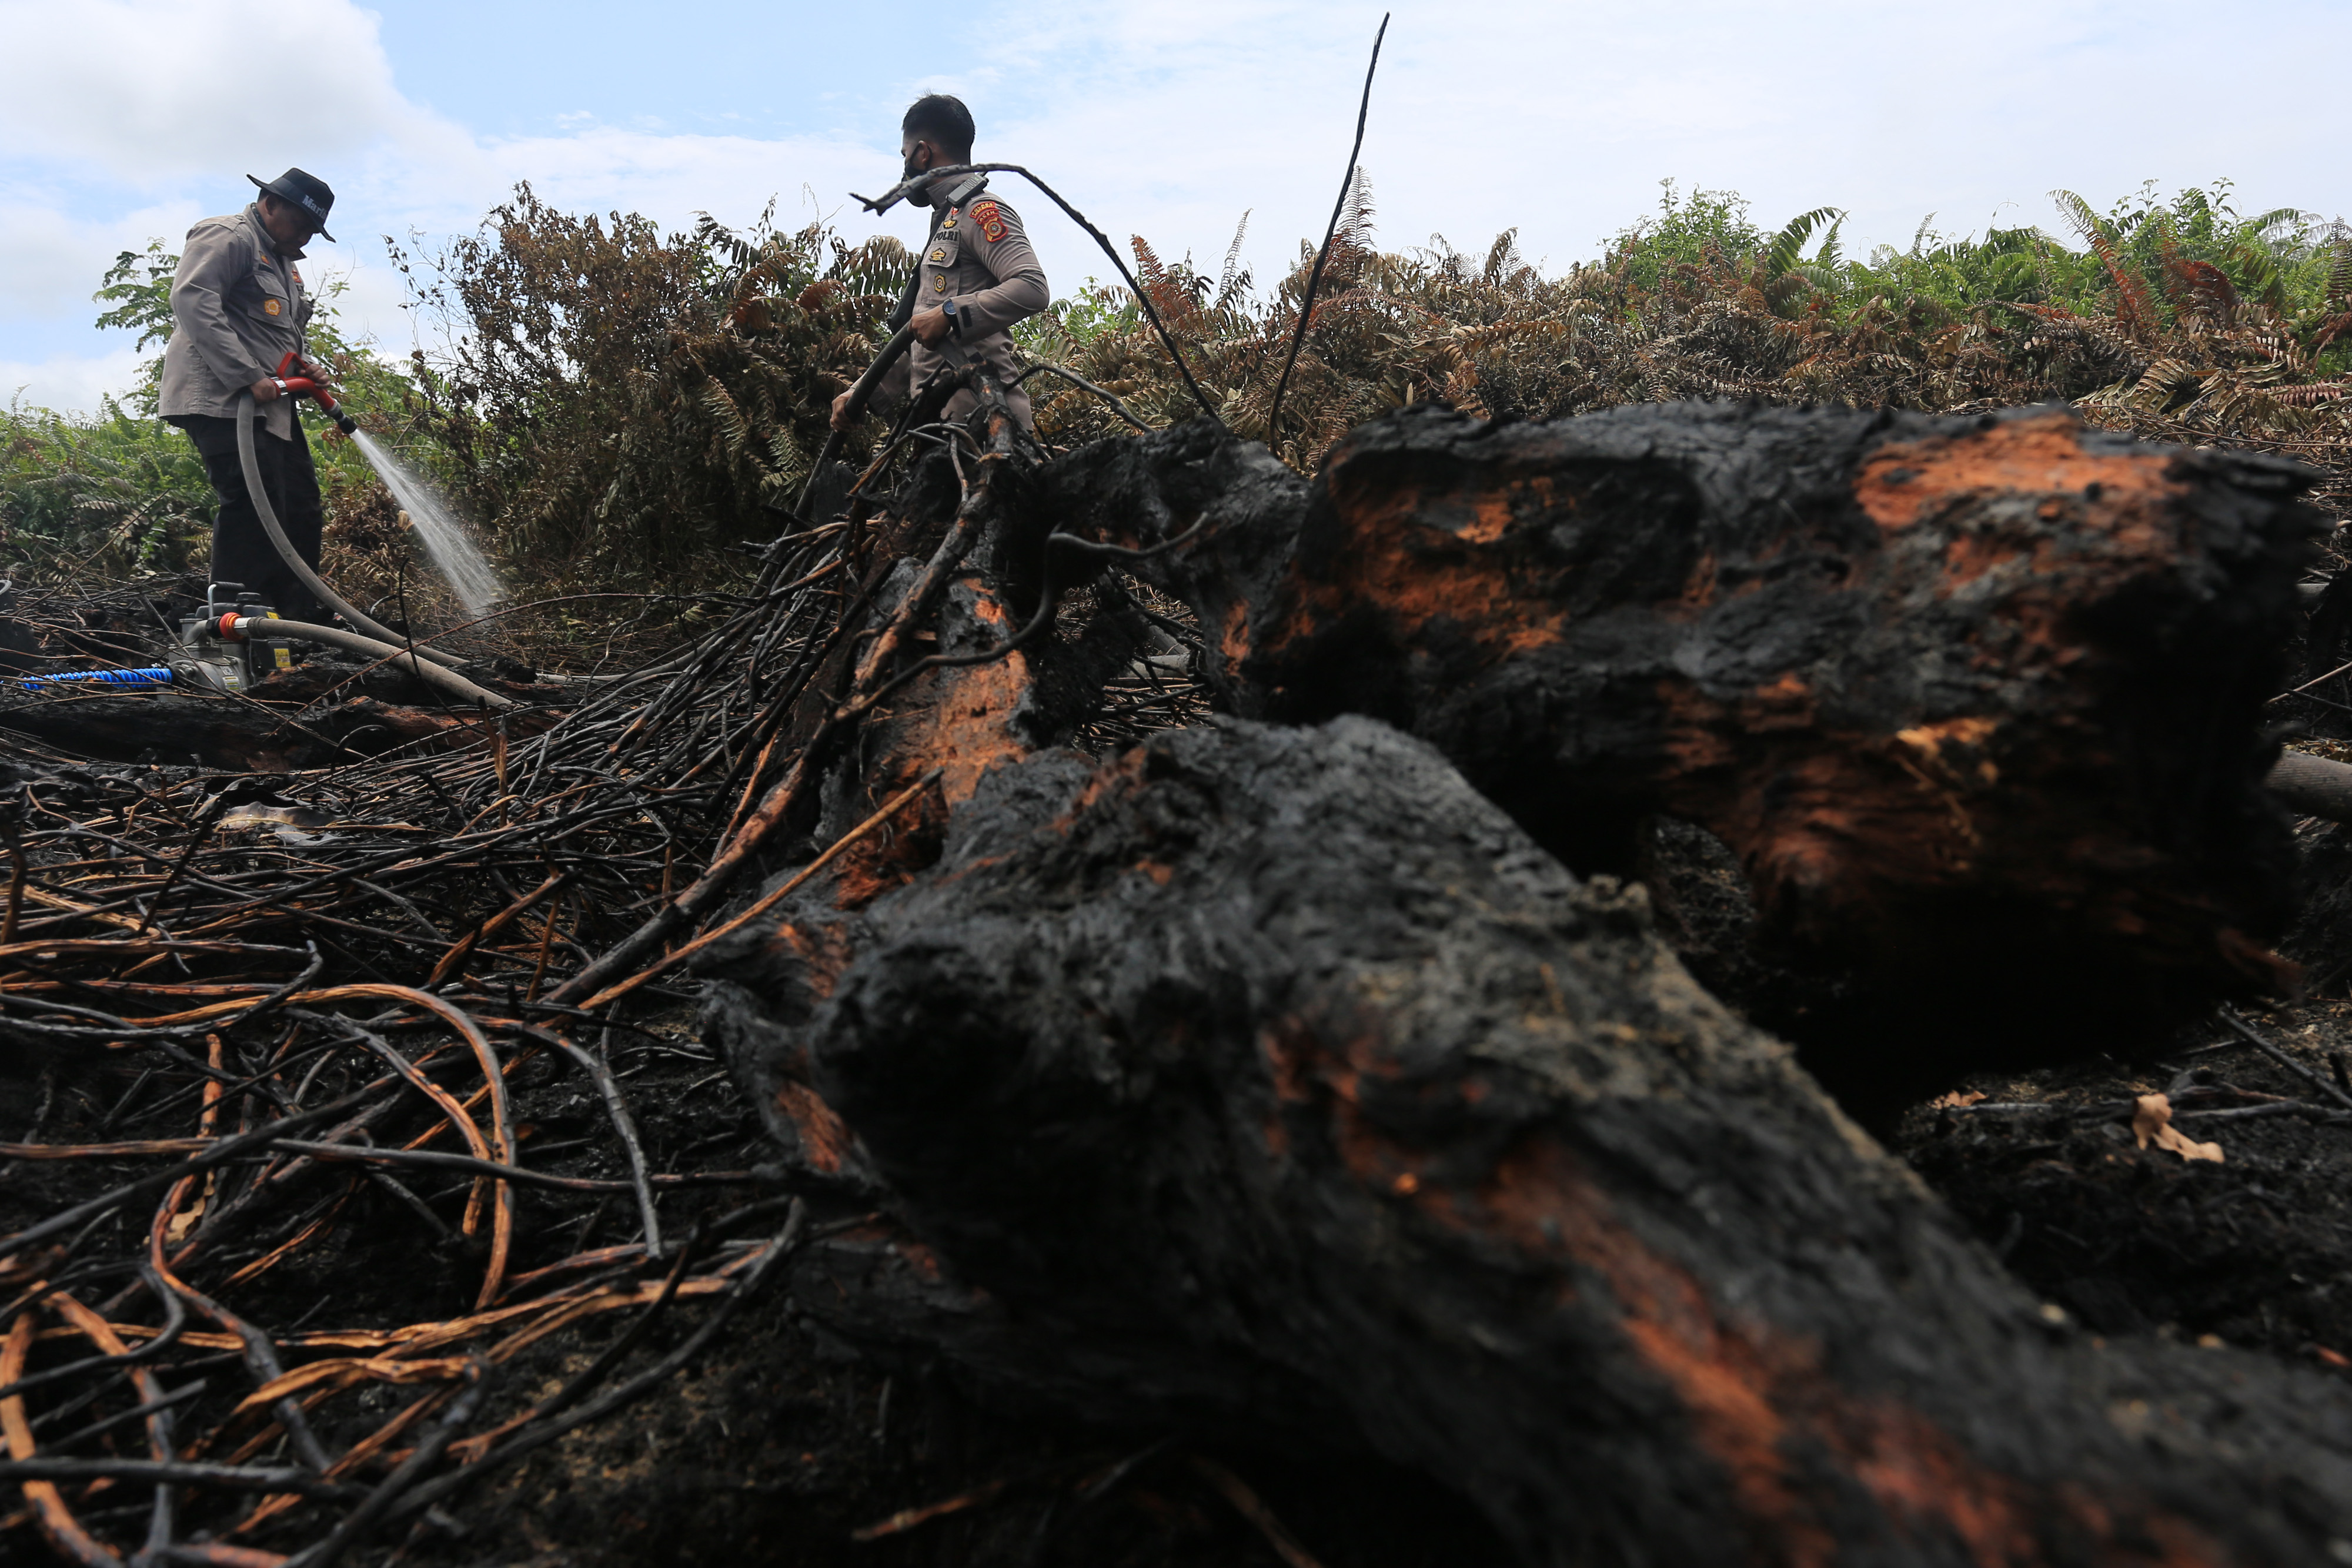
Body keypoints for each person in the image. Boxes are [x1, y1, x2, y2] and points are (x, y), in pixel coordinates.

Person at [159, 168, 338, 621]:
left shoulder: (283, 264)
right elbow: (193, 298)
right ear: (270, 202)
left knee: (300, 505)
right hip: (223, 400)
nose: (304, 237)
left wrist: (306, 366)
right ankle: (236, 619)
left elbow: (276, 335)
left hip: (270, 407)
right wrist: (245, 376)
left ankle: (296, 621)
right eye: (300, 223)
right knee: (254, 503)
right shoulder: (228, 235)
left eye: (312, 231)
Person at [832, 95, 1049, 434]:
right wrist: (861, 393)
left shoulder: (981, 211)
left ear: (922, 153)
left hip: (989, 429)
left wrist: (951, 313)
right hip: (940, 432)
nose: (905, 166)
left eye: (905, 155)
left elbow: (1032, 287)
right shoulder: (946, 222)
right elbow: (924, 336)